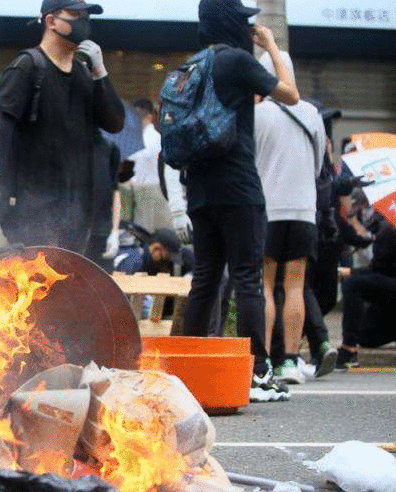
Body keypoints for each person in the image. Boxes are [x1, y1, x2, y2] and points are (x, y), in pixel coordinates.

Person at [180, 0, 300, 403]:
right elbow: (291, 95)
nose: (251, 27)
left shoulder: (194, 64)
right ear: (230, 23)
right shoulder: (234, 61)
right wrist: (271, 48)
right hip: (236, 186)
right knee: (247, 276)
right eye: (244, 21)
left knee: (205, 279)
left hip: (198, 188)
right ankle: (258, 370)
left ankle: (188, 368)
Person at [0, 0, 124, 254]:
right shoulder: (27, 66)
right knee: (34, 281)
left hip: (76, 207)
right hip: (30, 204)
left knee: (64, 284)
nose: (83, 23)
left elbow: (115, 122)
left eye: (86, 16)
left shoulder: (85, 74)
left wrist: (100, 70)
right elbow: (4, 121)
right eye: (74, 15)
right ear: (51, 21)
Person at [254, 51, 326, 384]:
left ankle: (266, 360)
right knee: (295, 285)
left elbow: (250, 164)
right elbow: (318, 164)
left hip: (268, 209)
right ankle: (292, 362)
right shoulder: (311, 113)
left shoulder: (256, 114)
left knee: (266, 284)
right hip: (302, 208)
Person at [337, 214, 396, 369]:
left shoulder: (389, 230)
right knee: (365, 335)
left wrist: (348, 272)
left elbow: (378, 268)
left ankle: (348, 349)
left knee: (353, 284)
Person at [125, 98, 171, 233]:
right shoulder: (160, 139)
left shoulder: (141, 140)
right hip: (159, 194)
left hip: (143, 193)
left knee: (145, 236)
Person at [84, 130, 121, 271]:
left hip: (101, 231)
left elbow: (115, 191)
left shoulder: (109, 148)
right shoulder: (70, 147)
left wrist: (115, 231)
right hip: (75, 229)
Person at [114, 225, 193, 277]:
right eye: (167, 257)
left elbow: (187, 256)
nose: (169, 260)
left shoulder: (158, 257)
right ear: (156, 248)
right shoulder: (134, 262)